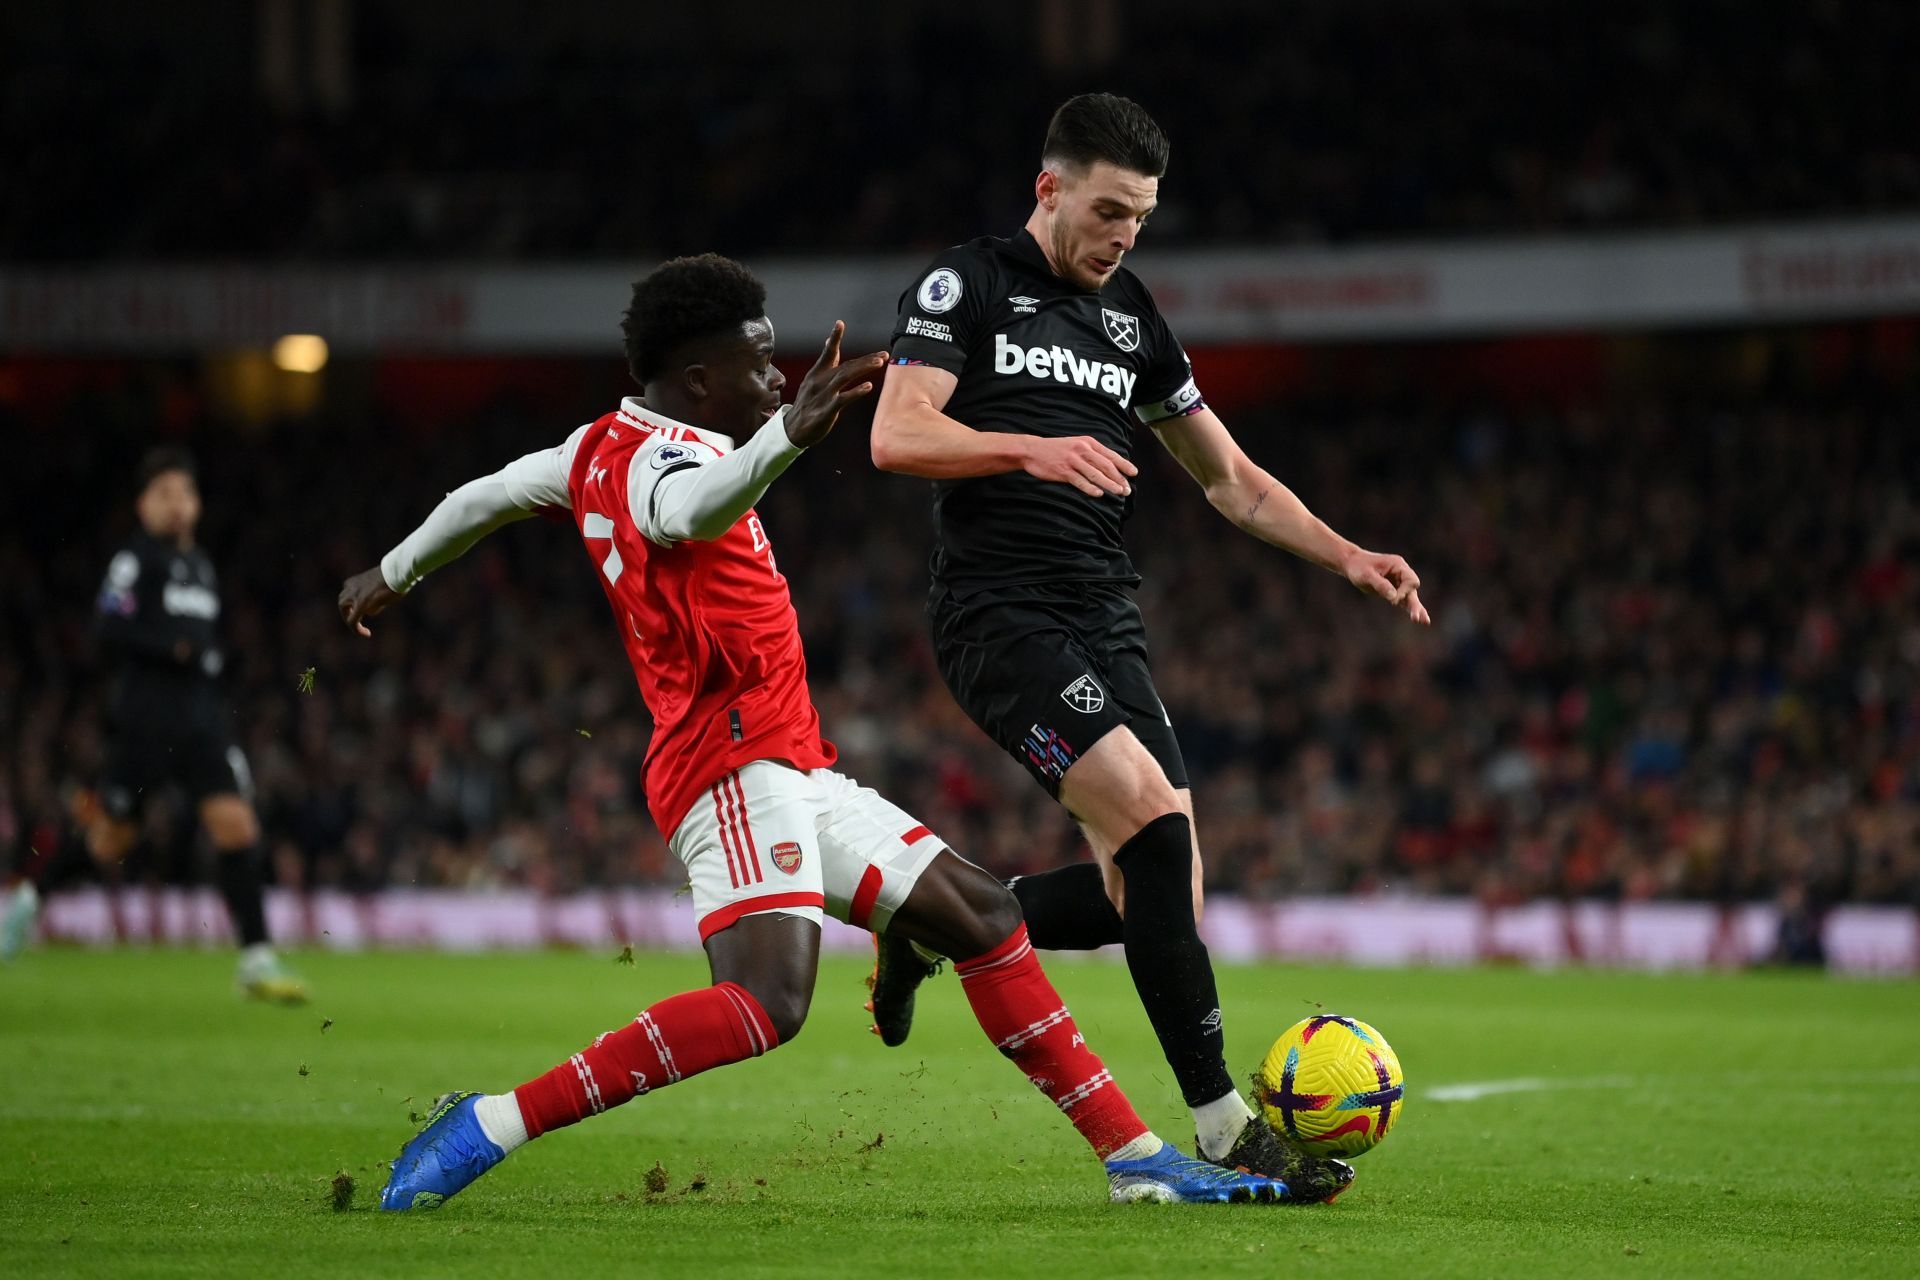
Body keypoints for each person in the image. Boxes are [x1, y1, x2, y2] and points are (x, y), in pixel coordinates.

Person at [339, 254, 1302, 1209]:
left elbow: (490, 494)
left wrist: (394, 569)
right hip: (730, 764)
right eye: (758, 365)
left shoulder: (589, 448)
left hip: (792, 761)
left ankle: (1133, 1159)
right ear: (698, 380)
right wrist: (788, 438)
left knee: (986, 919)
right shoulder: (662, 465)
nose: (776, 377)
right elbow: (685, 511)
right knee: (766, 1006)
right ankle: (491, 1122)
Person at [869, 93, 1428, 1189]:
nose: (1125, 234)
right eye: (1111, 208)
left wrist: (1348, 553)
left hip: (1104, 616)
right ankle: (1221, 1130)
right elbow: (897, 433)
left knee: (1158, 890)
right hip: (997, 610)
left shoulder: (1131, 317)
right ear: (1051, 188)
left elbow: (1231, 480)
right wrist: (1026, 450)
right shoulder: (967, 284)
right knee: (1154, 826)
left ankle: (931, 920)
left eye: (1142, 216)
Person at [0, 449, 307, 1002]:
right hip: (146, 722)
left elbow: (203, 646)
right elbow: (107, 625)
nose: (177, 506)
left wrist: (209, 662)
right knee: (109, 840)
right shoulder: (135, 561)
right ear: (143, 504)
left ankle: (255, 959)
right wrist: (174, 647)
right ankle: (29, 901)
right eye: (164, 495)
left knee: (238, 825)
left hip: (200, 723)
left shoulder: (202, 567)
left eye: (185, 494)